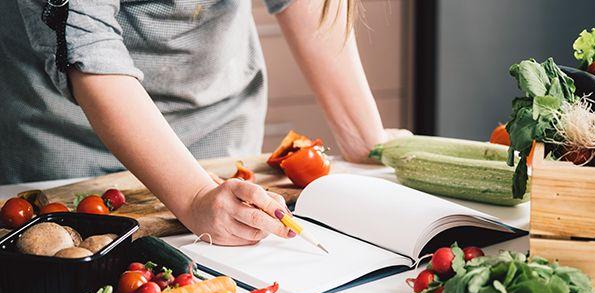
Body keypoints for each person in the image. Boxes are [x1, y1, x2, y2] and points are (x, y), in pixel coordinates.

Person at [0, 0, 407, 245]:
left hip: (220, 127)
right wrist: (194, 197)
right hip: (65, 140)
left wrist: (363, 136)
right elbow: (86, 42)